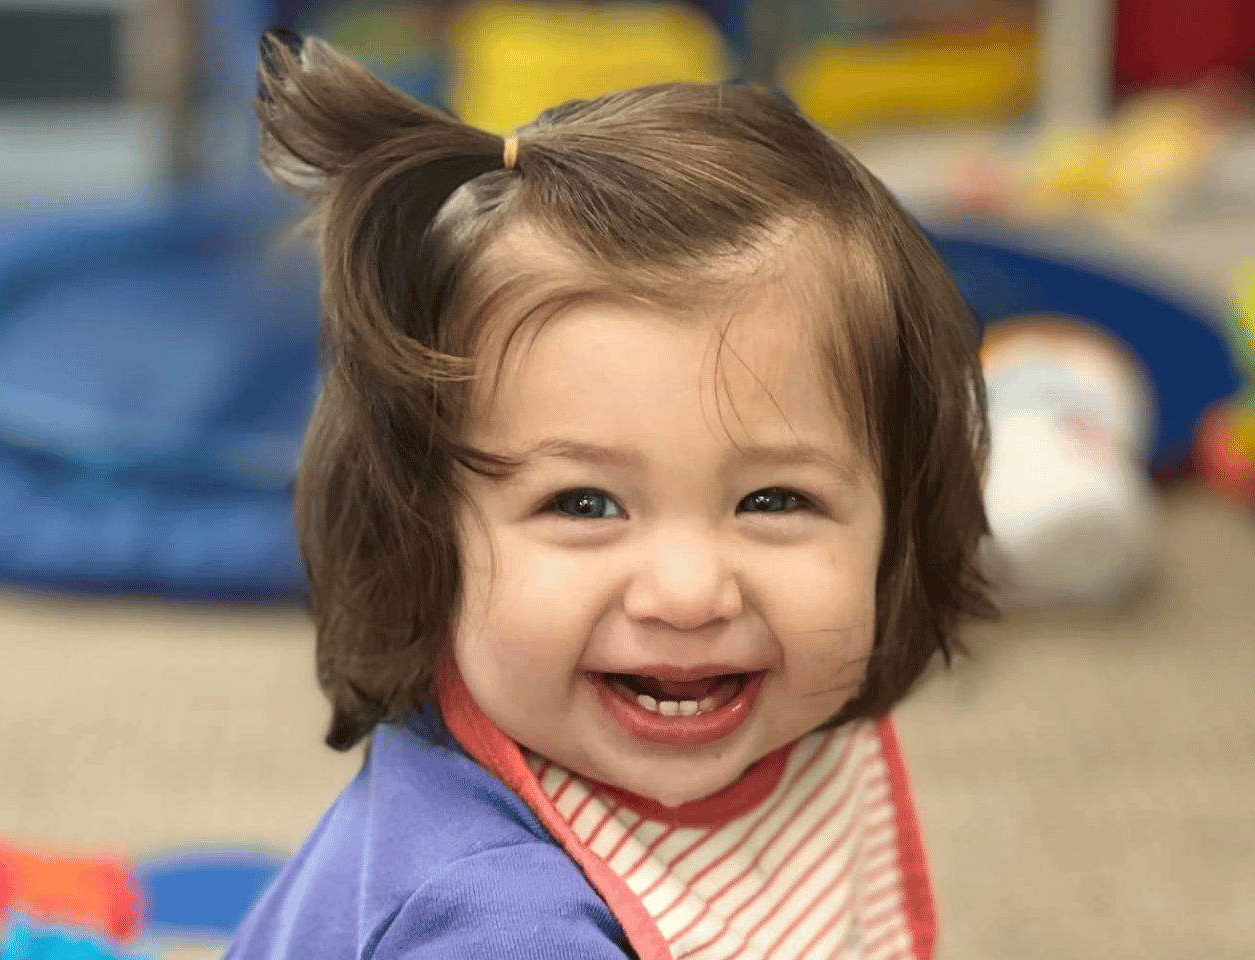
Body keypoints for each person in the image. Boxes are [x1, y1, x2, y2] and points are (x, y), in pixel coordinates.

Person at [226, 29, 995, 960]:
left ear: (899, 520)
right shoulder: (502, 925)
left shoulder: (797, 730)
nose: (689, 593)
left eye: (772, 501)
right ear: (426, 535)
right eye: (584, 504)